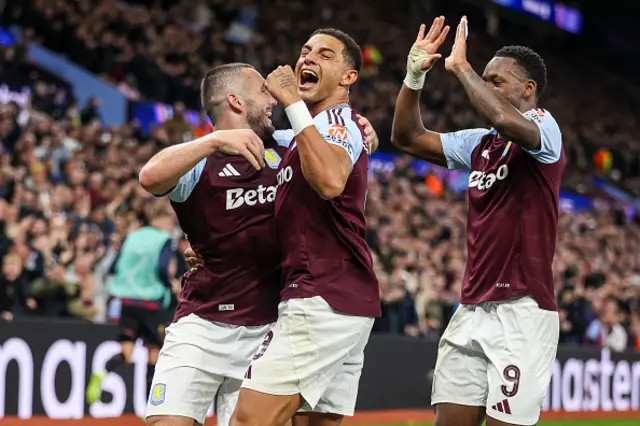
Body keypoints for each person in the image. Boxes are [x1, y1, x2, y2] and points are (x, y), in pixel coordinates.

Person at [138, 62, 379, 426]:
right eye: (263, 92)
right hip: (202, 321)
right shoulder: (200, 160)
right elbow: (149, 176)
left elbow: (333, 142)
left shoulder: (287, 145)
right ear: (236, 100)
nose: (273, 100)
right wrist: (214, 140)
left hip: (268, 328)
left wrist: (360, 132)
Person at [391, 16, 564, 426]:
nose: (486, 87)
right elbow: (407, 137)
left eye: (496, 81)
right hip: (470, 309)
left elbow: (506, 120)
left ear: (528, 89)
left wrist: (462, 68)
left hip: (522, 309)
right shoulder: (480, 143)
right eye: (484, 78)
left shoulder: (545, 128)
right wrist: (414, 76)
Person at [230, 28, 379, 426]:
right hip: (339, 297)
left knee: (248, 419)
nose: (308, 58)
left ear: (349, 78)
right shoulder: (304, 135)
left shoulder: (336, 122)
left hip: (322, 295)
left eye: (325, 55)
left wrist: (293, 102)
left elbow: (330, 182)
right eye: (305, 50)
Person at [86, 210, 179, 404]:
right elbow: (163, 268)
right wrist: (169, 285)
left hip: (127, 302)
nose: (171, 224)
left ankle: (103, 372)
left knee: (126, 353)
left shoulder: (132, 236)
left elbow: (115, 266)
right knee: (154, 354)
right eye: (169, 220)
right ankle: (150, 408)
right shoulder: (163, 239)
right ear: (159, 220)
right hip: (151, 303)